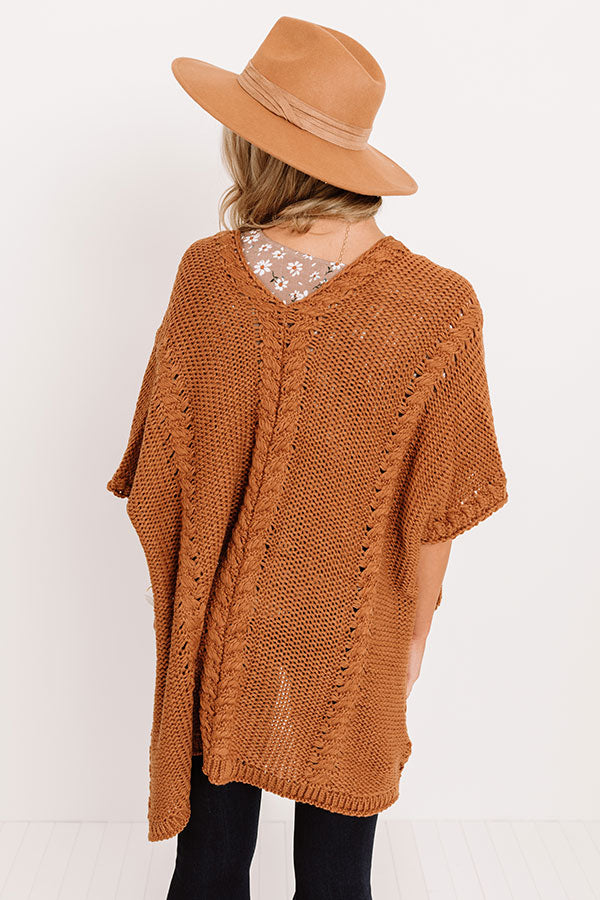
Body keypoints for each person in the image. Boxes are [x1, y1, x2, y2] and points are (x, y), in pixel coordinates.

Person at [106, 16, 508, 900]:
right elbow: (438, 511)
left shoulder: (207, 275)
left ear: (257, 150)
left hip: (218, 627)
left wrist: (192, 589)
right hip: (357, 627)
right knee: (337, 879)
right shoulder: (440, 307)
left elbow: (159, 475)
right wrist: (414, 635)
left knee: (208, 871)